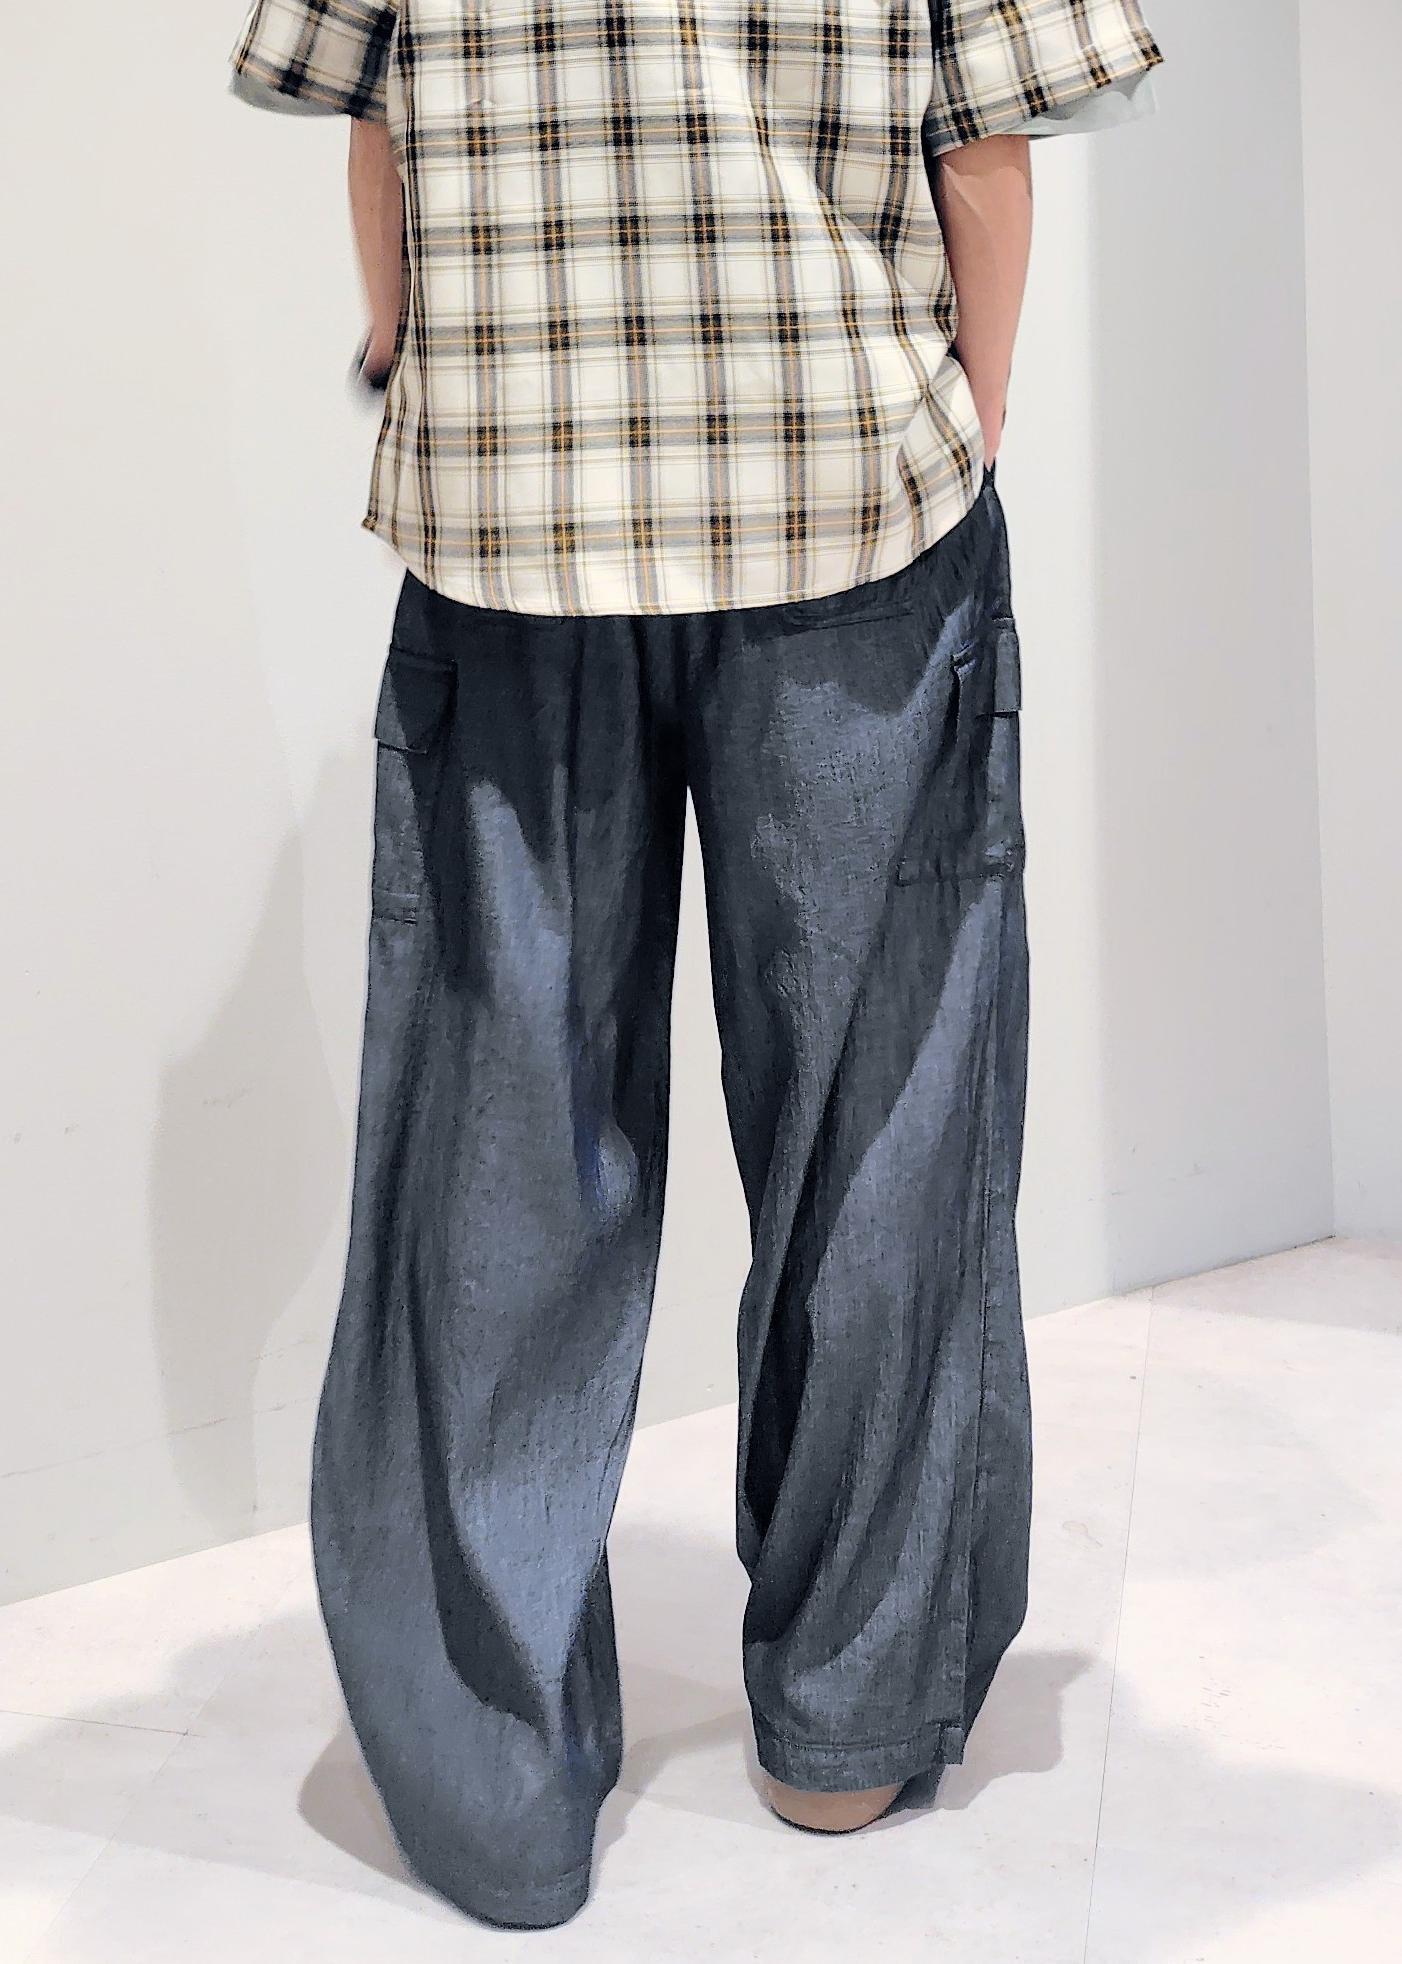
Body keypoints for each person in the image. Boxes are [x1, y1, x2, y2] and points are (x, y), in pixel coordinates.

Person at [228, 0, 1163, 1930]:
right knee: (878, 1127)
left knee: (501, 1155)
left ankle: (493, 1786)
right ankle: (845, 1726)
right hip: (848, 512)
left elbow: (373, 124)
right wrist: (975, 410)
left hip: (509, 533)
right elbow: (985, 151)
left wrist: (408, 346)